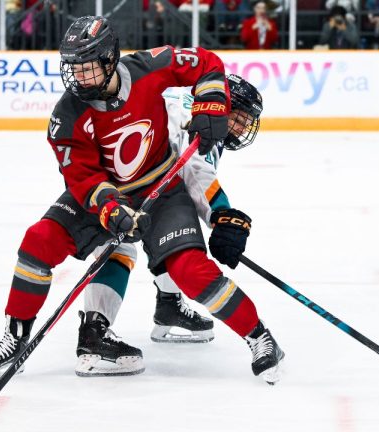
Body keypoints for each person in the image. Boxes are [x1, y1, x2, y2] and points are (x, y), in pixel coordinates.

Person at [0, 15, 285, 384]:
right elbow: (82, 177)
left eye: (88, 69)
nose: (79, 79)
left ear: (109, 60)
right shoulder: (66, 116)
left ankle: (259, 338)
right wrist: (110, 209)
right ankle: (16, 337)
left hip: (163, 188)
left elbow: (205, 64)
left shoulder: (149, 68)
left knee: (191, 268)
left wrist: (213, 102)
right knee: (39, 241)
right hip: (105, 195)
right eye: (74, 69)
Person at [75, 73, 265, 377]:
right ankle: (94, 335)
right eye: (240, 118)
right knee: (122, 247)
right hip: (114, 185)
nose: (242, 128)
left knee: (175, 233)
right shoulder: (200, 121)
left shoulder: (192, 104)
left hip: (120, 175)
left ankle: (168, 305)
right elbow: (197, 169)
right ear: (225, 106)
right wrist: (222, 214)